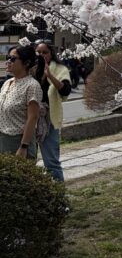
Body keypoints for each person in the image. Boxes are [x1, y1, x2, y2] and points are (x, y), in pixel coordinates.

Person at [34, 39, 71, 182]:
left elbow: (66, 90)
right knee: (29, 158)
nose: (42, 55)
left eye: (45, 52)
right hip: (31, 117)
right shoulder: (31, 68)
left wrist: (50, 75)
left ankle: (58, 196)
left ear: (51, 53)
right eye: (38, 52)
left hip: (49, 119)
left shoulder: (60, 69)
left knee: (51, 161)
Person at [0, 45, 43, 160]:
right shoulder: (7, 83)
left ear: (26, 63)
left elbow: (33, 118)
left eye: (13, 59)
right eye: (8, 58)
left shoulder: (32, 86)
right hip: (3, 138)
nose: (8, 61)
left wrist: (24, 146)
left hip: (18, 141)